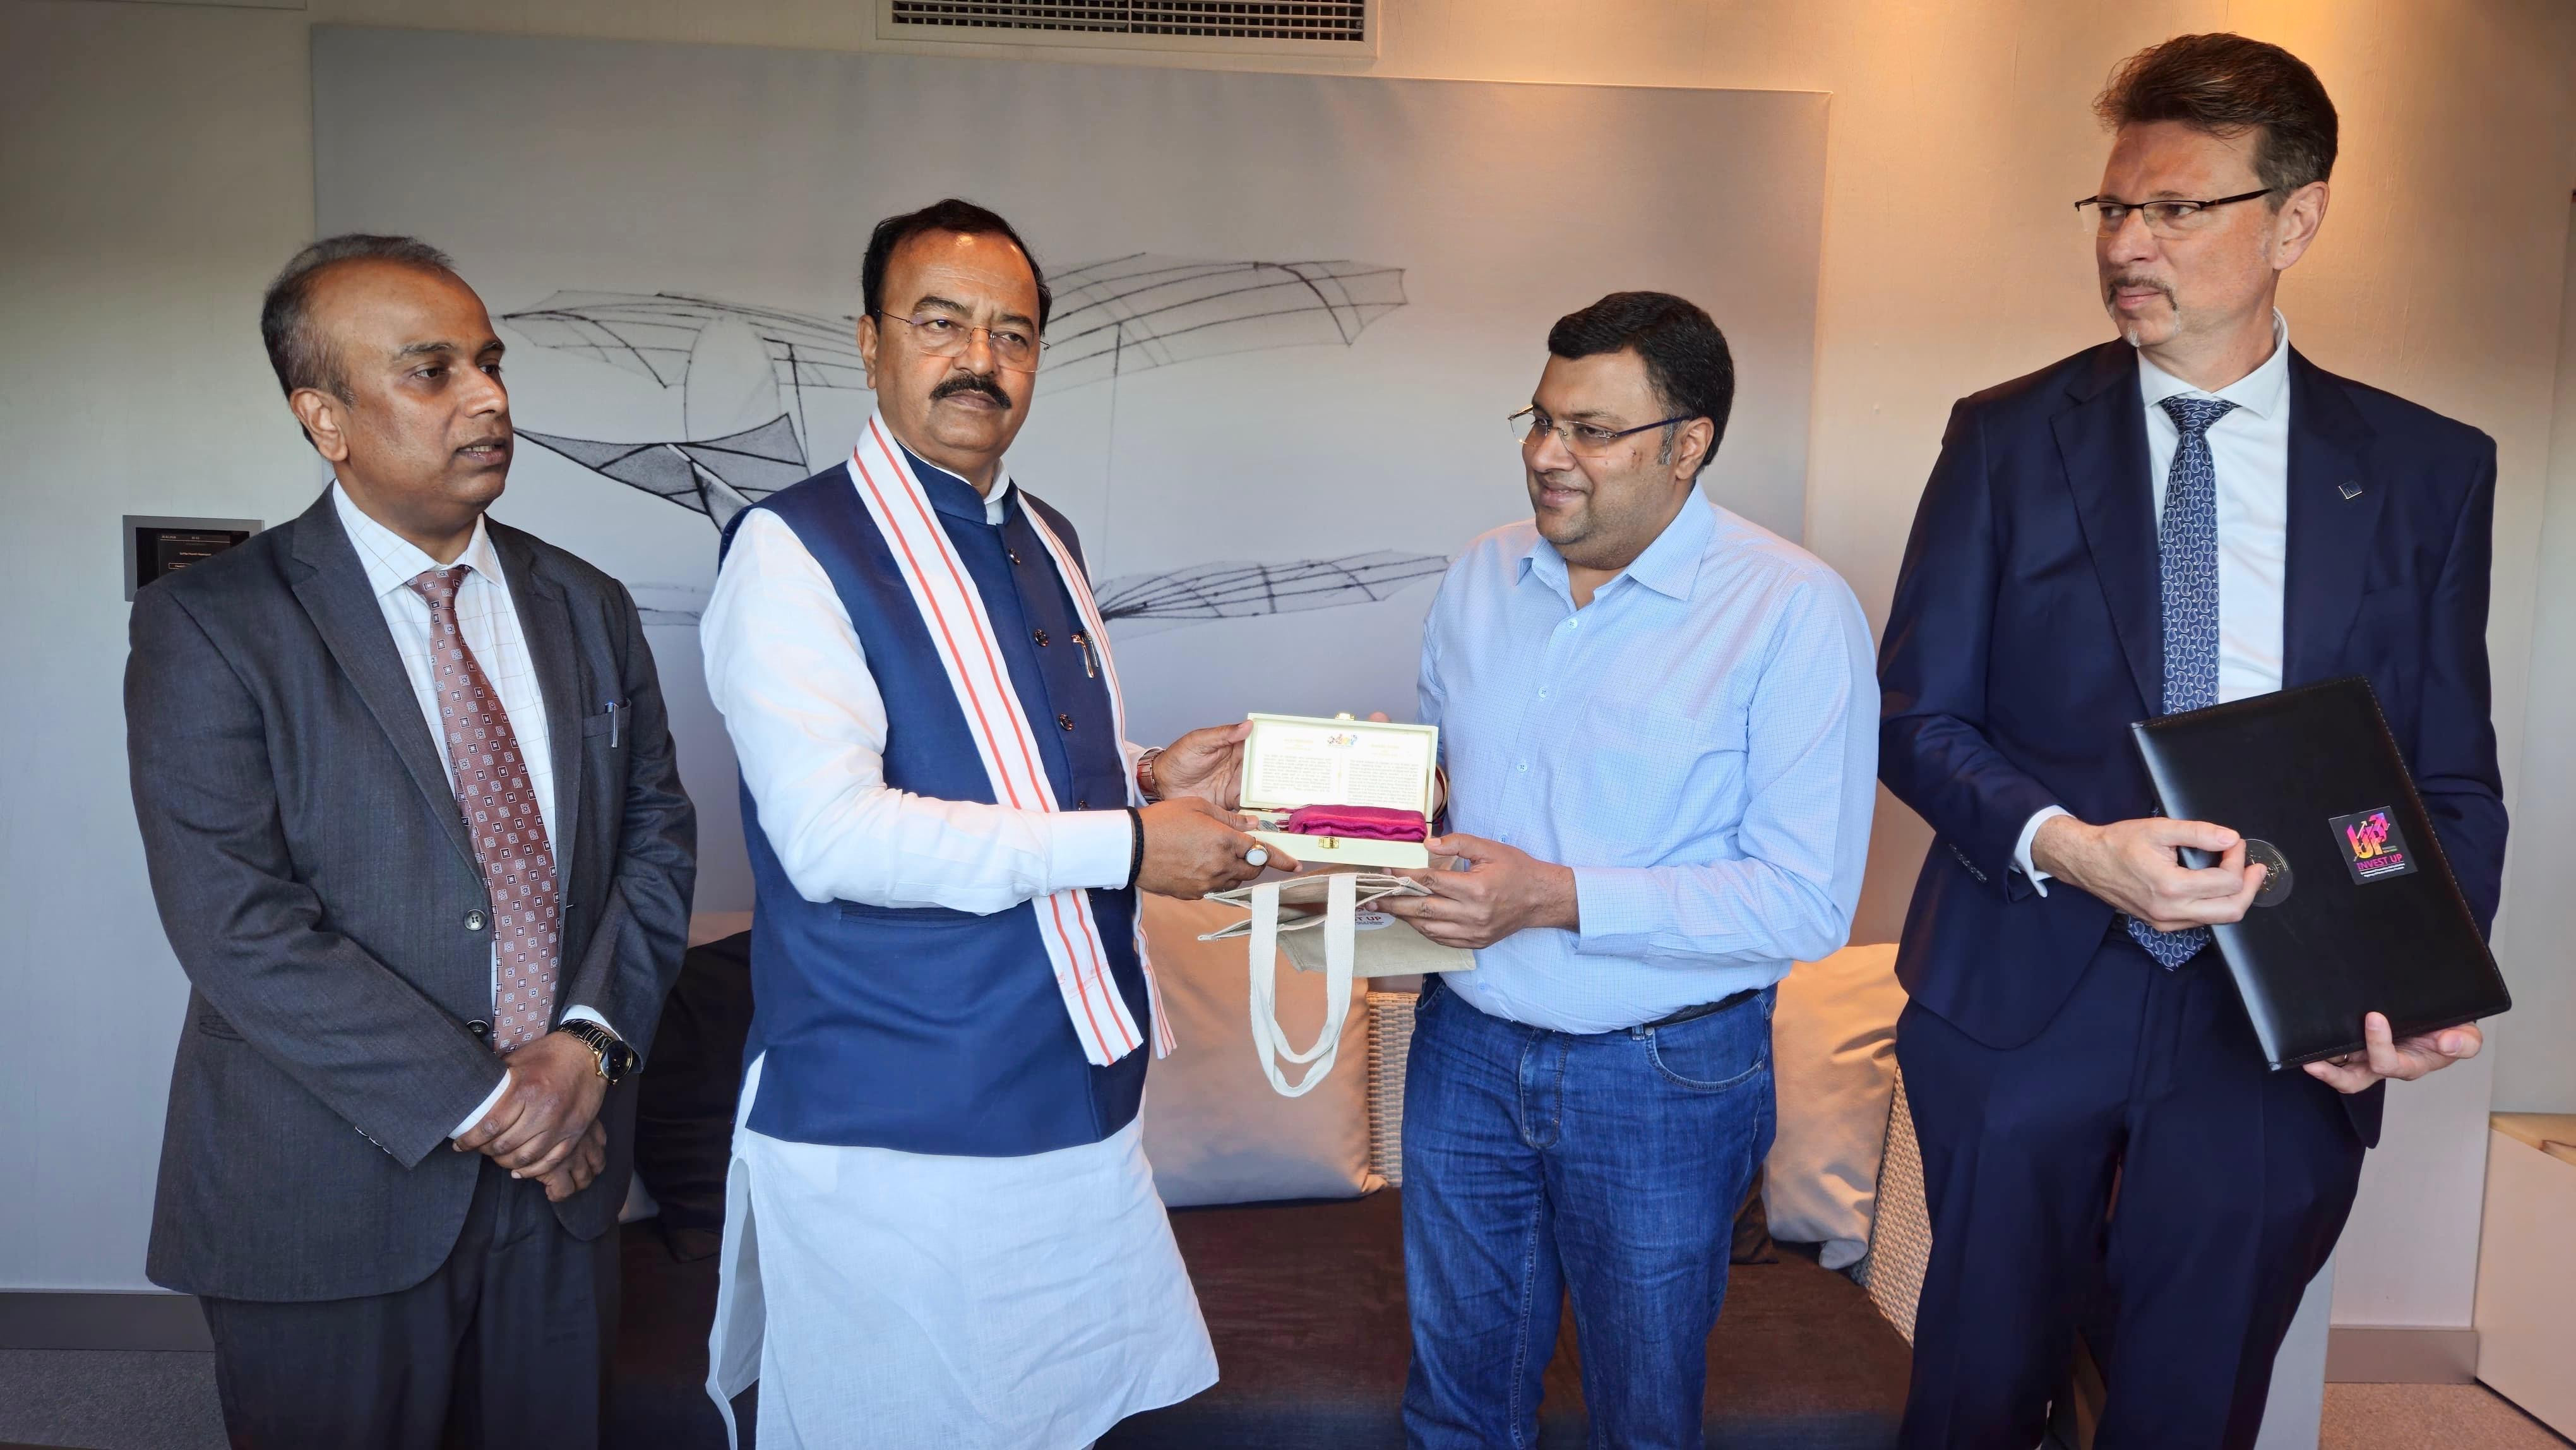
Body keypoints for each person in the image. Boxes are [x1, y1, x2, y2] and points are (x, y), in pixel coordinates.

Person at [1878, 33, 2500, 1448]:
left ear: (2295, 219)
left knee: (2192, 1408)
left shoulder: (2427, 470)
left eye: (2175, 208)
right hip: (2026, 991)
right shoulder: (2004, 438)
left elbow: (2451, 774)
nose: (2127, 244)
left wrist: (2409, 983)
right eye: (2113, 207)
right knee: (1974, 1398)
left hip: (2281, 1015)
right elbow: (1918, 715)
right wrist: (2073, 848)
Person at [698, 198, 1282, 1450]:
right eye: (941, 323)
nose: (981, 359)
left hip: (1072, 1083)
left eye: (1012, 333)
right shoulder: (793, 550)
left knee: (1056, 1423)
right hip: (899, 1112)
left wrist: (1145, 771)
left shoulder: (1040, 532)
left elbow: (1001, 750)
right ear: (869, 341)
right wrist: (1134, 844)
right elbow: (834, 836)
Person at [124, 234, 697, 1447]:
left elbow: (657, 842)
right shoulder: (211, 623)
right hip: (328, 1188)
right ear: (324, 419)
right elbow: (237, 923)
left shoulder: (587, 605)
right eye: (432, 372)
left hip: (565, 1182)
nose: (488, 399)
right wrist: (497, 1102)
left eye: (490, 363)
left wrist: (588, 1053)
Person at [1380, 292, 1878, 1448]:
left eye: (1592, 431)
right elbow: (1454, 791)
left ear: (1687, 444)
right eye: (1540, 419)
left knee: (1641, 1423)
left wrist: (1551, 896)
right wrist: (1362, 803)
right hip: (1463, 1047)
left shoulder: (1793, 610)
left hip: (1665, 1075)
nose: (1547, 455)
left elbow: (1804, 902)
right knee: (1454, 1411)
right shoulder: (1479, 576)